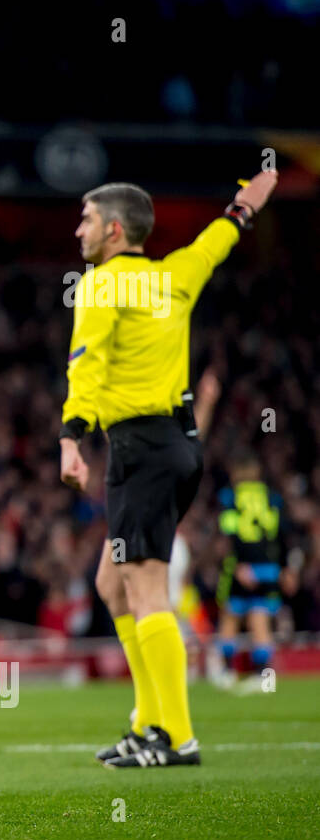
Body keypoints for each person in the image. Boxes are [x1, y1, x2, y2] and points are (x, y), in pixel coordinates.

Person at [59, 172, 277, 768]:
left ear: (112, 229)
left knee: (147, 588)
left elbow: (86, 363)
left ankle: (176, 736)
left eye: (85, 219)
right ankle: (147, 722)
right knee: (112, 583)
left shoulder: (101, 285)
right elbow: (216, 242)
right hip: (172, 449)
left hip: (141, 452)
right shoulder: (171, 275)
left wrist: (71, 436)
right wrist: (242, 208)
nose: (77, 229)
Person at [214, 456, 285, 690]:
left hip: (241, 565)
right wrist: (281, 567)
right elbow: (277, 533)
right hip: (267, 568)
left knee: (230, 619)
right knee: (260, 621)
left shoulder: (231, 496)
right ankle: (263, 679)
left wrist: (241, 565)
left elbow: (231, 531)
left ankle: (226, 673)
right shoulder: (271, 497)